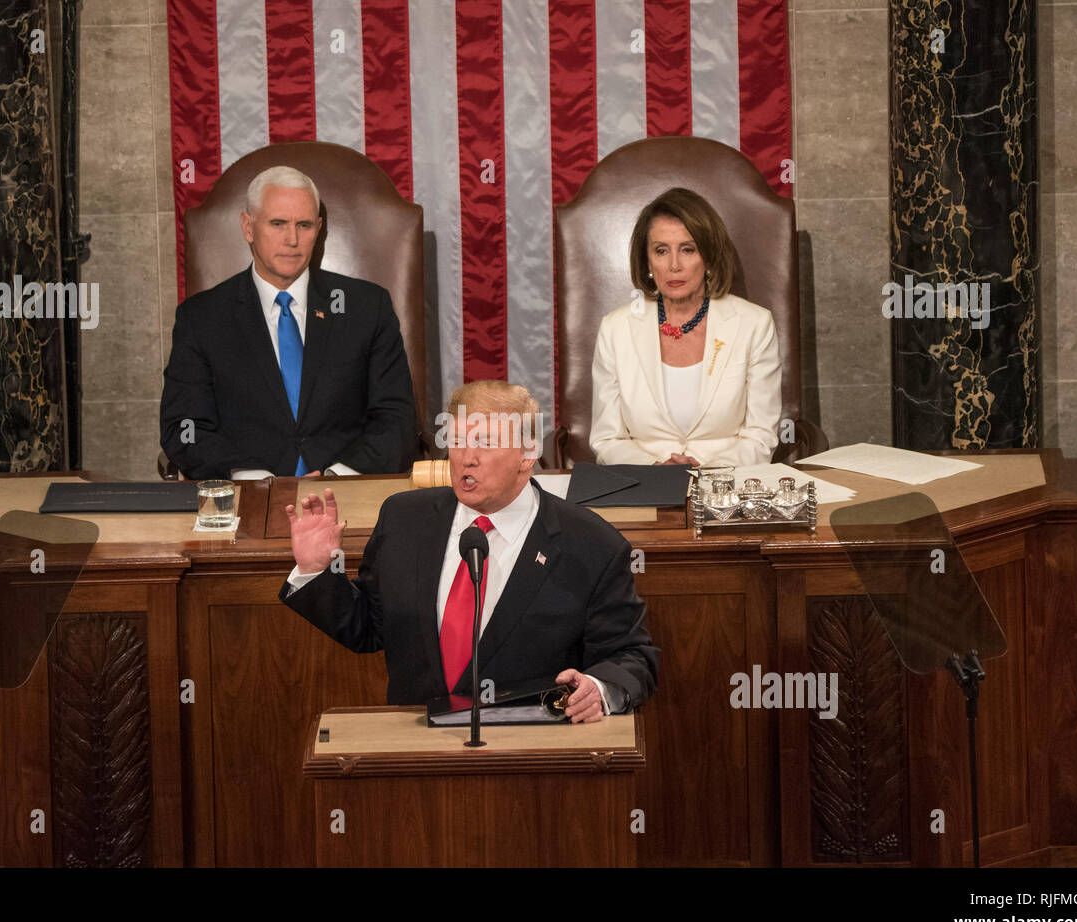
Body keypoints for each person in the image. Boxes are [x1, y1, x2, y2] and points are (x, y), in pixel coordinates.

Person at [279, 380, 659, 722]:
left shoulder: (591, 544)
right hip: (415, 754)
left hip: (534, 758)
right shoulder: (404, 519)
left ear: (528, 455)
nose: (466, 457)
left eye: (486, 443)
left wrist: (600, 688)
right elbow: (368, 630)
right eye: (458, 440)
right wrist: (315, 572)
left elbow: (632, 656)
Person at [160, 165, 418, 479]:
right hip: (247, 499)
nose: (292, 239)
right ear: (248, 227)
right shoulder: (201, 318)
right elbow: (185, 428)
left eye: (304, 225)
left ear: (319, 229)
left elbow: (396, 421)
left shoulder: (367, 308)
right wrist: (252, 478)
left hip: (345, 492)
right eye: (278, 223)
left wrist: (339, 476)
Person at [590, 187, 782, 467]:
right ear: (647, 261)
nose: (674, 265)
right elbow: (607, 439)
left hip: (726, 488)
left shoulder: (754, 324)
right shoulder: (615, 329)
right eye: (661, 251)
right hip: (645, 486)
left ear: (708, 257)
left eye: (688, 250)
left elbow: (760, 437)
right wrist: (655, 471)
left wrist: (705, 472)